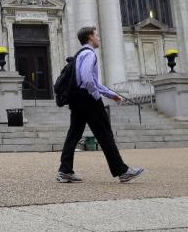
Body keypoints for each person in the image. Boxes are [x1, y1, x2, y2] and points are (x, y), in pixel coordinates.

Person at [57, 25, 145, 183]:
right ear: (90, 37)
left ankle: (65, 171)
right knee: (105, 134)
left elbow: (93, 81)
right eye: (96, 35)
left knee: (74, 134)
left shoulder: (79, 54)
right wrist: (96, 96)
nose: (98, 38)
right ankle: (122, 171)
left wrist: (112, 95)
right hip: (88, 99)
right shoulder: (89, 54)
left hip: (77, 98)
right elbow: (88, 79)